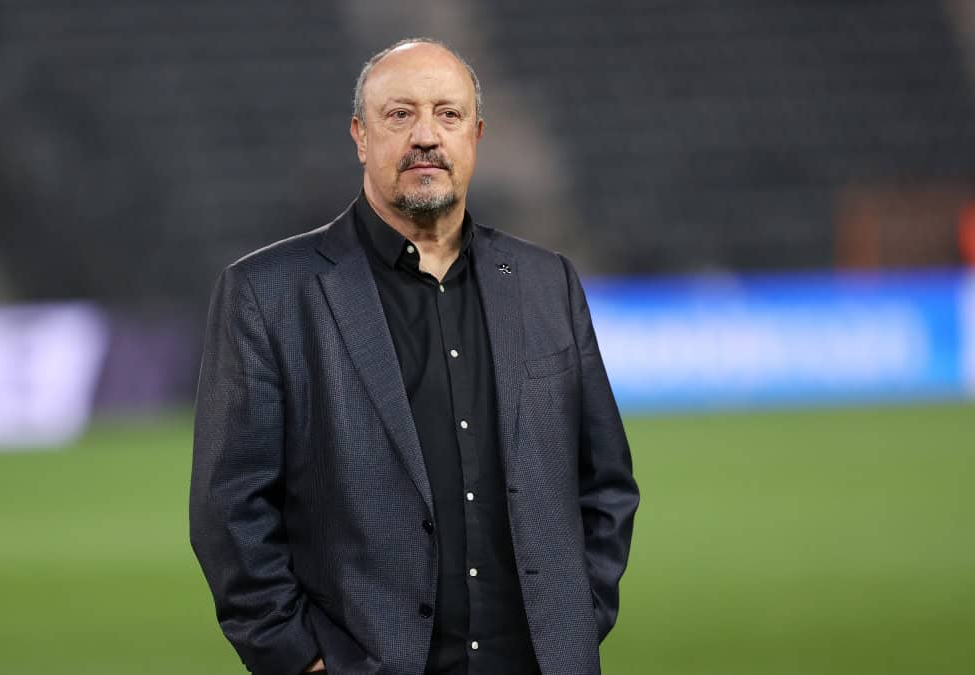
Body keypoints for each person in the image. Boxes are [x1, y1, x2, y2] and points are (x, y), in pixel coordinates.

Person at [190, 37, 639, 675]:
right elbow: (230, 509)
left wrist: (573, 622)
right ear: (360, 135)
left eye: (448, 114)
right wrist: (299, 660)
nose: (426, 136)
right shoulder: (268, 293)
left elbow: (605, 483)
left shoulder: (547, 283)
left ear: (476, 135)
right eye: (399, 115)